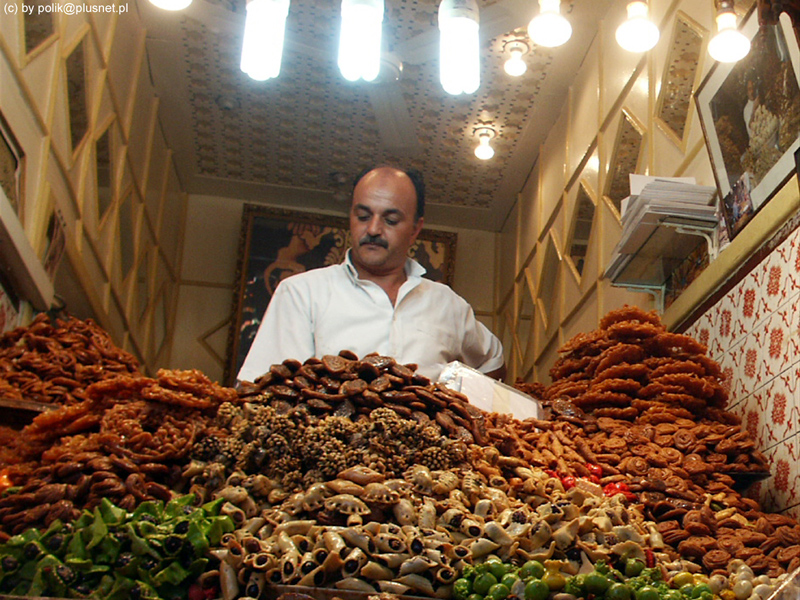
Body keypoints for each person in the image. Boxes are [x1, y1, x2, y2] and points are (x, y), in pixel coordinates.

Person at [237, 165, 506, 383]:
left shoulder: (447, 304)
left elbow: (493, 360)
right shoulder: (302, 293)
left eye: (390, 220)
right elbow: (261, 386)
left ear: (415, 229)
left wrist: (460, 405)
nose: (374, 229)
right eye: (363, 216)